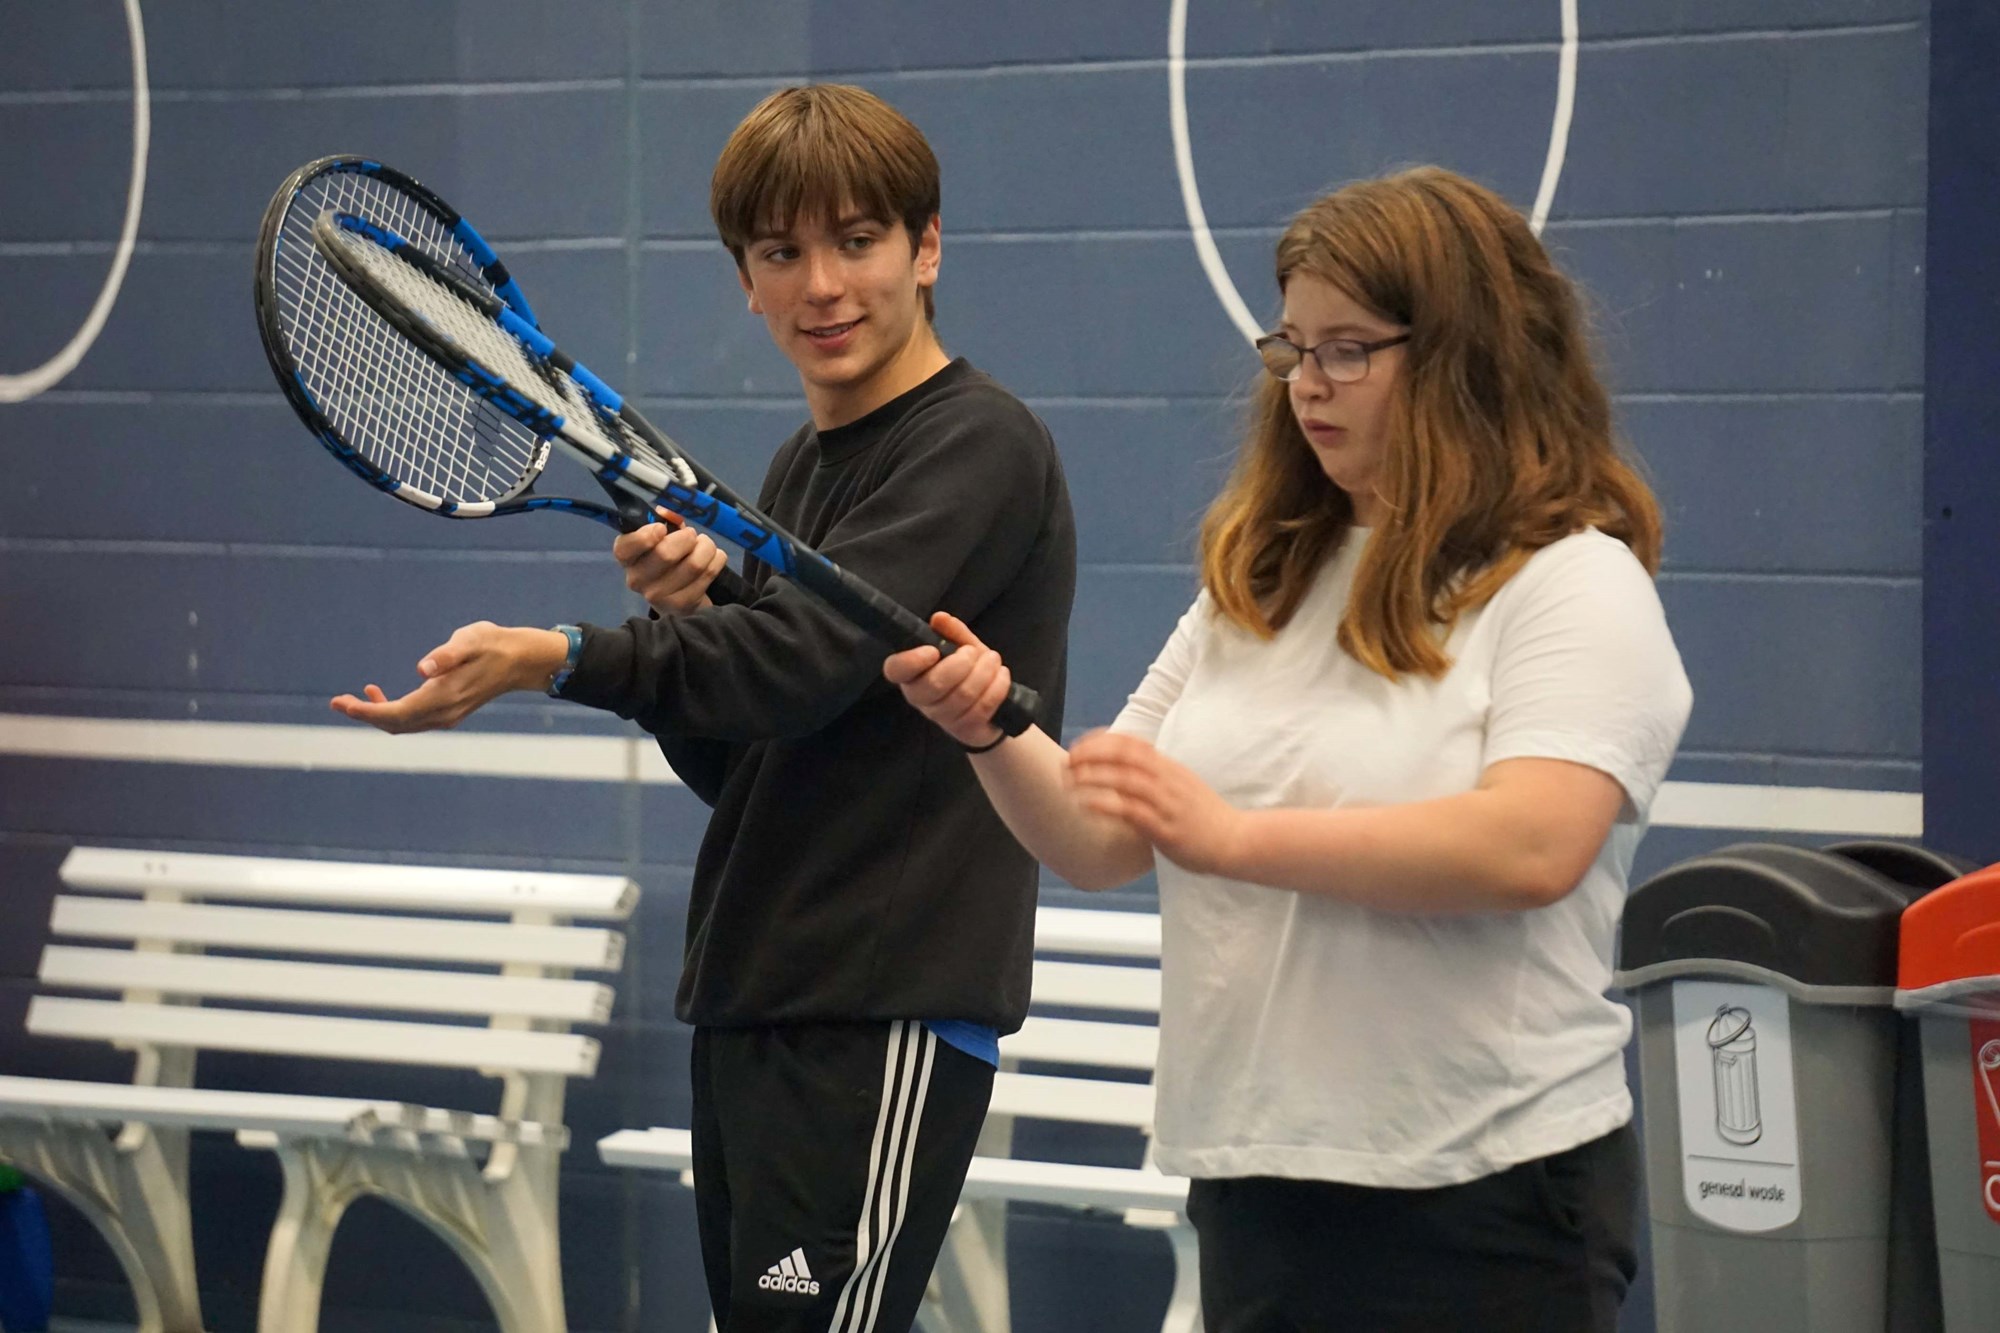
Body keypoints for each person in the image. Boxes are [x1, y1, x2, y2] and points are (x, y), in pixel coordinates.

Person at [884, 165, 1692, 1333]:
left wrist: (1234, 837)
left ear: (1468, 353)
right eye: (1291, 349)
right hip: (1258, 1175)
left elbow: (1531, 843)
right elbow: (1103, 835)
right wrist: (990, 728)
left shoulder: (1571, 581)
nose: (1307, 386)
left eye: (1347, 350)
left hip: (1483, 1192)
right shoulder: (1259, 584)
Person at [331, 84, 1077, 1333]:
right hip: (756, 998)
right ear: (745, 277)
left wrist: (559, 654)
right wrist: (696, 619)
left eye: (856, 241)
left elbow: (798, 664)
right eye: (782, 253)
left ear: (926, 246)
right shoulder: (801, 468)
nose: (822, 285)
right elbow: (754, 756)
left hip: (876, 1007)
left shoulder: (978, 443)